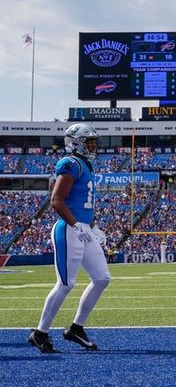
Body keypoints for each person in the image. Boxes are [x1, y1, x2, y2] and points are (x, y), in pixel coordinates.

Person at [29, 123, 111, 353]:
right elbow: (57, 200)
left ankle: (76, 328)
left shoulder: (87, 164)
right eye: (89, 141)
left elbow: (83, 203)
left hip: (83, 228)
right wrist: (76, 225)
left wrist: (93, 227)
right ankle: (40, 332)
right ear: (76, 142)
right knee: (66, 283)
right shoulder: (70, 163)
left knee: (102, 278)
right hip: (69, 228)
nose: (94, 145)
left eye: (94, 141)